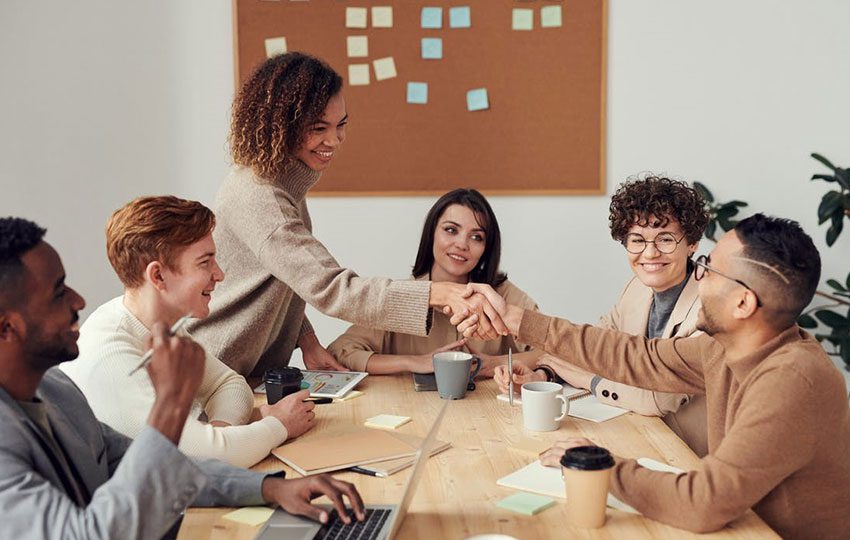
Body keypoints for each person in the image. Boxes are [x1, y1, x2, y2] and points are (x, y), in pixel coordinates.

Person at [482, 214, 850, 538]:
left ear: (743, 303)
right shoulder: (723, 348)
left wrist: (600, 465)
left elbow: (703, 502)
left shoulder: (792, 380)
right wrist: (519, 321)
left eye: (708, 267)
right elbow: (636, 357)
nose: (698, 274)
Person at [0, 217, 364, 539]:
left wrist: (269, 489)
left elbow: (160, 467)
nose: (79, 300)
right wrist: (172, 404)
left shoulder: (57, 391)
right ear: (6, 327)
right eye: (58, 291)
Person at [188, 52, 507, 378]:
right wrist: (437, 293)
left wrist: (307, 341)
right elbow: (331, 287)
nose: (334, 140)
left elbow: (288, 278)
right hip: (213, 372)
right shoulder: (261, 197)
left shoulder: (281, 184)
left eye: (341, 125)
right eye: (318, 128)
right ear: (281, 126)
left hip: (245, 373)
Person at [61, 196, 314, 468]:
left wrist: (220, 434)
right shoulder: (110, 356)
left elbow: (229, 384)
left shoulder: (158, 324)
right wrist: (278, 426)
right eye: (205, 263)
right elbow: (207, 459)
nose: (219, 274)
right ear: (157, 276)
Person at [495, 176, 710, 455]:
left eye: (665, 239)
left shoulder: (709, 306)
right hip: (637, 435)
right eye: (637, 240)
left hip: (688, 454)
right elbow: (592, 348)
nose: (650, 252)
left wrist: (590, 381)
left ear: (692, 243)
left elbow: (657, 400)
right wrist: (544, 373)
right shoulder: (635, 289)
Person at [327, 189, 541, 376]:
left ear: (487, 248)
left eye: (476, 237)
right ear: (431, 234)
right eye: (451, 230)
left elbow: (557, 351)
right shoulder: (402, 296)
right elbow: (341, 351)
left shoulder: (503, 295)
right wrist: (415, 362)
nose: (462, 244)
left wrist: (496, 363)